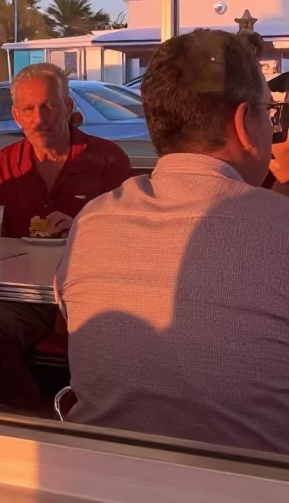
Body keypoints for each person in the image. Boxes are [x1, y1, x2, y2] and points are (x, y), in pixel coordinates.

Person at [55, 29, 289, 454]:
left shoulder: (94, 219)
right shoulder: (280, 227)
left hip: (97, 480)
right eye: (268, 112)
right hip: (255, 500)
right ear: (243, 123)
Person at [0, 63, 133, 410]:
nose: (39, 118)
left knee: (104, 342)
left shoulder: (108, 159)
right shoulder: (4, 164)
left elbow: (131, 240)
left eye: (49, 106)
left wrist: (82, 226)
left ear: (69, 107)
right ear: (17, 116)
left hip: (92, 291)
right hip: (24, 295)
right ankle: (36, 423)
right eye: (29, 109)